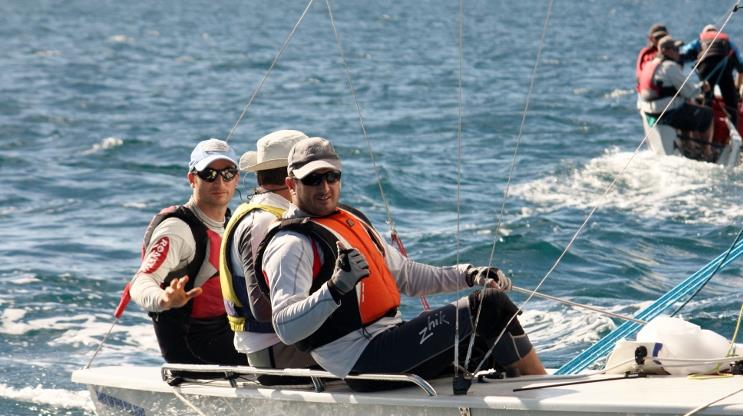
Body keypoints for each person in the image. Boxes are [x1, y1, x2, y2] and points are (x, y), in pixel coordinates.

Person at [259, 137, 547, 384]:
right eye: (312, 179)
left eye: (332, 177)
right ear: (291, 184)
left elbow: (406, 275)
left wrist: (468, 275)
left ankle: (522, 401)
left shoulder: (349, 220)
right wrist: (335, 289)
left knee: (487, 340)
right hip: (360, 358)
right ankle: (543, 390)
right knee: (489, 307)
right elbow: (286, 327)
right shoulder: (291, 244)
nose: (325, 187)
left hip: (387, 339)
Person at [130, 138, 246, 365]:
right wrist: (164, 299)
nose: (220, 182)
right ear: (192, 179)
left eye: (228, 173)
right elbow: (140, 282)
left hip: (226, 332)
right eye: (209, 174)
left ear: (237, 178)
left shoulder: (229, 222)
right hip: (193, 346)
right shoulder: (178, 229)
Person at [219, 130, 317, 370]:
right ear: (293, 177)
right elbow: (262, 309)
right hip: (274, 350)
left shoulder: (274, 214)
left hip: (286, 343)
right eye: (314, 175)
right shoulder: (262, 222)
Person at [638, 36, 713, 156]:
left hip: (649, 112)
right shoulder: (670, 67)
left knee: (686, 109)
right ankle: (706, 152)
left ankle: (687, 145)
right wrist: (703, 87)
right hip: (666, 113)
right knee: (707, 115)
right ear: (665, 51)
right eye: (675, 50)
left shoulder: (649, 65)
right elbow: (689, 92)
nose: (679, 53)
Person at [680, 25, 743, 126]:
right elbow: (741, 68)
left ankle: (705, 128)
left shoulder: (699, 40)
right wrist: (736, 90)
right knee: (731, 104)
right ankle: (733, 130)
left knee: (708, 98)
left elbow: (683, 53)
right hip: (725, 70)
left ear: (705, 32)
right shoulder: (728, 42)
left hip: (706, 68)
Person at [635, 24, 669, 94]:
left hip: (643, 92)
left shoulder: (644, 53)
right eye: (659, 38)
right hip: (654, 92)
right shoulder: (650, 56)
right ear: (652, 39)